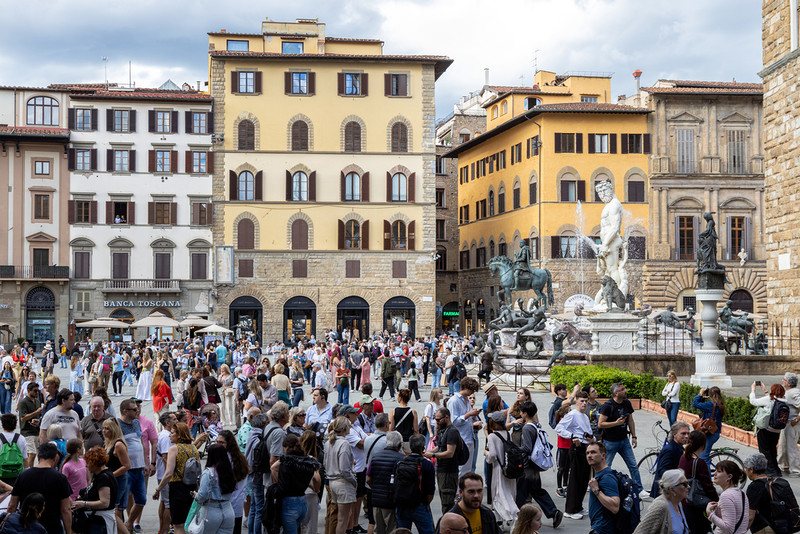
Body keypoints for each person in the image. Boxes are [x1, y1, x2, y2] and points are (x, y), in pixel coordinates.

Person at [8, 442, 73, 534]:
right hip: (52, 528)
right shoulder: (60, 478)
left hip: (26, 527)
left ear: (38, 457)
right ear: (55, 458)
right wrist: (68, 531)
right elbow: (66, 509)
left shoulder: (23, 475)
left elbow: (12, 505)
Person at [515, 401, 562, 527]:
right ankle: (554, 512)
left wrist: (514, 449)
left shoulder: (527, 428)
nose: (520, 414)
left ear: (525, 414)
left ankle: (517, 519)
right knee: (537, 490)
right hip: (535, 466)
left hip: (527, 466)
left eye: (521, 412)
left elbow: (527, 448)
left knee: (520, 493)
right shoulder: (537, 425)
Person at [597, 382, 646, 500]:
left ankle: (638, 489)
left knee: (633, 465)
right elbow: (600, 424)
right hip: (610, 442)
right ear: (616, 393)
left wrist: (634, 436)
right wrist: (616, 423)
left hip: (624, 440)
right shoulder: (607, 406)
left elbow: (630, 421)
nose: (625, 391)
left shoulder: (627, 403)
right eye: (622, 389)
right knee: (606, 466)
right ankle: (602, 488)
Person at [152, 422, 200, 534]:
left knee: (178, 524)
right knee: (189, 522)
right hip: (192, 488)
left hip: (177, 488)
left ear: (179, 435)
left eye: (172, 433)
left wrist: (158, 489)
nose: (170, 435)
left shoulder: (174, 449)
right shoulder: (194, 448)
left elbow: (168, 473)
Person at [270, 434, 320, 534]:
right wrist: (315, 488)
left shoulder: (286, 460)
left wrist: (278, 481)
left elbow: (273, 467)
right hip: (302, 500)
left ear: (286, 447)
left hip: (289, 502)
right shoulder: (308, 460)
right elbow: (317, 478)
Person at [555, 390, 594, 519]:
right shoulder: (572, 414)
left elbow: (588, 432)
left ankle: (578, 506)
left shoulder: (585, 416)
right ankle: (570, 510)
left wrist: (591, 439)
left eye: (586, 401)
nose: (584, 403)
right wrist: (572, 437)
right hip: (577, 448)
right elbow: (559, 428)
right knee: (575, 479)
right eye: (581, 401)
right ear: (576, 401)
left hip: (585, 448)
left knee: (583, 479)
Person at [73, 445, 119, 534]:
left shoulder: (104, 478)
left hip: (100, 522)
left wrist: (83, 504)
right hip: (99, 520)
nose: (86, 466)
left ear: (95, 463)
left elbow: (104, 503)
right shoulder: (99, 474)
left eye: (88, 463)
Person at [395, 434, 435, 534]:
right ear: (423, 448)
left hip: (402, 505)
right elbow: (430, 490)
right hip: (419, 504)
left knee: (402, 531)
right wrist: (425, 503)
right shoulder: (427, 464)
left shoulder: (400, 462)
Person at [679, 430, 717, 534]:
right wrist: (716, 500)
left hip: (684, 501)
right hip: (697, 504)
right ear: (703, 445)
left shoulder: (683, 458)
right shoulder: (700, 463)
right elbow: (707, 485)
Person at [424, 407, 460, 514]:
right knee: (444, 499)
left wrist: (433, 455)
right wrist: (428, 452)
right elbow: (439, 447)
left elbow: (450, 453)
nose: (436, 422)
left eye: (438, 419)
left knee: (447, 503)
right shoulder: (443, 430)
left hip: (449, 472)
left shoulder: (452, 431)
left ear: (447, 417)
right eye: (435, 419)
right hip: (441, 471)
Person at [485, 411, 519, 525]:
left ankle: (511, 516)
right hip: (509, 468)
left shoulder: (492, 436)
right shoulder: (507, 434)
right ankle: (500, 521)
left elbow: (493, 455)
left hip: (498, 470)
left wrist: (486, 454)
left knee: (498, 495)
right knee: (507, 493)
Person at [632, 468, 691, 534]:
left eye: (688, 483)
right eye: (684, 484)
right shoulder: (660, 506)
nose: (688, 486)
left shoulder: (678, 503)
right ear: (672, 489)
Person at [325, 416, 357, 534]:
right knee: (343, 519)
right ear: (344, 428)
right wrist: (354, 481)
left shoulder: (329, 442)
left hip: (333, 481)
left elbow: (325, 463)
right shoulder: (344, 444)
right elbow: (344, 469)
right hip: (343, 482)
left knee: (341, 517)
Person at [195, 444, 235, 534]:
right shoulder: (229, 471)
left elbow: (202, 495)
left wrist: (196, 496)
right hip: (228, 509)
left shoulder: (208, 473)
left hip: (211, 511)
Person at [447, 377, 481, 477]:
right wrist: (469, 414)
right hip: (460, 438)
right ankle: (458, 491)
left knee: (468, 468)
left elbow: (467, 418)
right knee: (460, 468)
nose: (472, 393)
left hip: (469, 437)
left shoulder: (466, 400)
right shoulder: (454, 401)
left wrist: (474, 417)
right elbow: (453, 422)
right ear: (465, 387)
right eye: (472, 390)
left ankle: (464, 489)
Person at [585, 441, 620, 534]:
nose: (589, 456)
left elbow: (615, 507)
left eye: (593, 452)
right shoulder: (601, 475)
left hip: (603, 529)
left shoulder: (607, 478)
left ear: (603, 456)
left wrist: (596, 490)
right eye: (587, 453)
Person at [706, 460, 749, 534]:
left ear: (729, 477)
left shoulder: (726, 496)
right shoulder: (741, 493)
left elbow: (729, 528)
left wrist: (710, 514)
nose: (715, 473)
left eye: (719, 471)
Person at [650, 421, 691, 497]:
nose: (686, 436)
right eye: (683, 433)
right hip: (665, 493)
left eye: (688, 433)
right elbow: (662, 471)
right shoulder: (670, 450)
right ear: (674, 434)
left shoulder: (678, 448)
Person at [244, 413, 268, 534]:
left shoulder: (252, 434)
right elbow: (255, 459)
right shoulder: (258, 437)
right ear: (263, 424)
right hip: (255, 476)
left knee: (254, 508)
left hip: (251, 475)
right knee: (258, 509)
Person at [692, 387, 725, 464]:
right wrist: (703, 398)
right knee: (701, 454)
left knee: (704, 457)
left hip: (710, 434)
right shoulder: (719, 403)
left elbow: (695, 404)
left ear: (710, 395)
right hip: (714, 433)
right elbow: (703, 407)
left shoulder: (711, 404)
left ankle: (707, 476)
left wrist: (700, 393)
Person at [779, 372, 800, 476]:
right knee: (783, 445)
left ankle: (796, 470)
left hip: (792, 423)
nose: (782, 381)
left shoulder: (794, 392)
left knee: (791, 447)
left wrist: (797, 419)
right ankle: (783, 466)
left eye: (784, 379)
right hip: (786, 423)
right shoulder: (789, 392)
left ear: (789, 383)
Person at [18, 382, 42, 470]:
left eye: (38, 391)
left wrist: (38, 420)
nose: (37, 393)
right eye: (35, 391)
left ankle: (28, 470)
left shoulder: (37, 401)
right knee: (32, 453)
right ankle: (29, 472)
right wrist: (36, 412)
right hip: (26, 432)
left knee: (35, 454)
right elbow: (23, 418)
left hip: (36, 431)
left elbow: (39, 416)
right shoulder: (23, 402)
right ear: (28, 390)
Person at [0, 413, 28, 486]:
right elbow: (25, 459)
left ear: (2, 425)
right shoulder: (21, 438)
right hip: (17, 474)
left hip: (1, 474)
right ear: (15, 425)